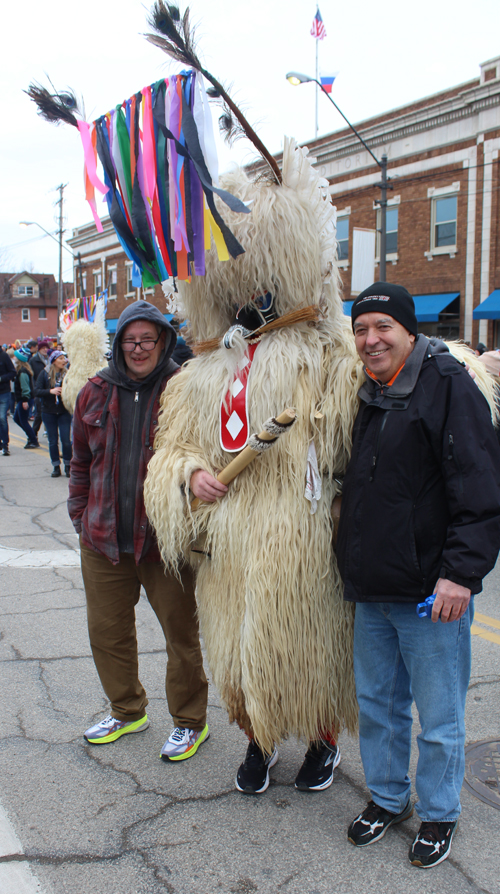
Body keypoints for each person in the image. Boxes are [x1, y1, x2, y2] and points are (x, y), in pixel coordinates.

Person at [336, 282, 500, 869]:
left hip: (433, 594)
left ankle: (438, 812)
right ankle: (387, 798)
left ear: (410, 330)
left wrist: (460, 575)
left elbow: (480, 490)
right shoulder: (369, 389)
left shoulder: (449, 384)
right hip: (372, 586)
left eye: (382, 328)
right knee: (378, 705)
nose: (371, 339)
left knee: (439, 715)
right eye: (361, 329)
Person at [68, 301, 209, 760]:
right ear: (119, 343)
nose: (139, 348)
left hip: (162, 540)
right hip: (103, 539)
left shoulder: (182, 389)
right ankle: (127, 710)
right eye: (131, 339)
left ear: (163, 341)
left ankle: (190, 722)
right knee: (107, 632)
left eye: (149, 339)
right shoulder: (94, 391)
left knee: (180, 636)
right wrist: (81, 518)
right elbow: (80, 464)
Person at [35, 351, 72, 478]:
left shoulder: (68, 374)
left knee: (66, 440)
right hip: (49, 411)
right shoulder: (44, 373)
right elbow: (37, 390)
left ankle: (68, 465)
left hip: (64, 411)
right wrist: (50, 391)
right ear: (54, 361)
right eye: (61, 358)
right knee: (52, 441)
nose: (64, 360)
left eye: (64, 358)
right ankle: (56, 466)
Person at [13, 346, 39, 449]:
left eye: (16, 357)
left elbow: (25, 388)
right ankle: (31, 436)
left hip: (25, 399)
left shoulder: (23, 372)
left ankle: (33, 439)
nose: (14, 358)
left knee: (23, 420)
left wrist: (25, 400)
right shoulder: (22, 370)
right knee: (17, 419)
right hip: (24, 399)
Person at [29, 339, 52, 438]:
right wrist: (34, 389)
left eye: (46, 348)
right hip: (39, 389)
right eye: (43, 348)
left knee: (50, 413)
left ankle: (50, 433)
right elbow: (31, 375)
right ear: (39, 349)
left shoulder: (51, 359)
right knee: (39, 414)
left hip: (50, 389)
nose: (45, 350)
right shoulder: (34, 360)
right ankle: (33, 435)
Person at [0, 345, 16, 456]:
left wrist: (1, 378)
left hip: (4, 392)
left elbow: (12, 372)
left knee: (2, 418)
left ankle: (5, 444)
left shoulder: (4, 356)